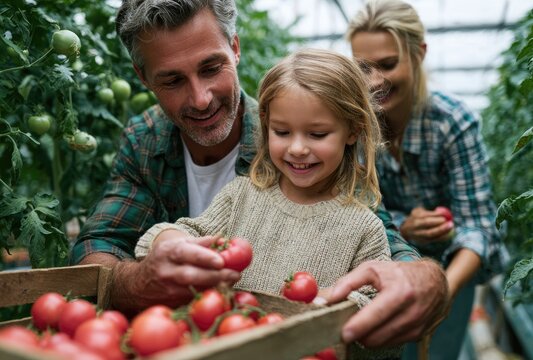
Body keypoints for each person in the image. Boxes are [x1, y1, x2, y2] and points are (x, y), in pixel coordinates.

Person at [70, 0, 448, 348]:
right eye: (172, 80)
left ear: (234, 48)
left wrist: (425, 276)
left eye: (210, 67)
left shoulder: (295, 137)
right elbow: (96, 245)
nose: (201, 98)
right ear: (142, 77)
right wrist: (146, 273)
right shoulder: (145, 141)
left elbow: (377, 237)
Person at [135, 48, 404, 359]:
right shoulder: (241, 197)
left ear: (353, 130)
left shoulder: (364, 228)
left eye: (317, 134)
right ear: (265, 123)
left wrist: (342, 305)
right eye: (282, 132)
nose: (298, 148)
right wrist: (173, 241)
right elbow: (165, 239)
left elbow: (388, 334)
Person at [344, 0, 504, 358]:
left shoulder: (451, 124)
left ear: (419, 53)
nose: (373, 81)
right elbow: (353, 211)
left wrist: (438, 291)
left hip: (453, 267)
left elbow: (478, 225)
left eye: (388, 65)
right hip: (381, 269)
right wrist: (405, 227)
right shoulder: (355, 129)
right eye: (362, 67)